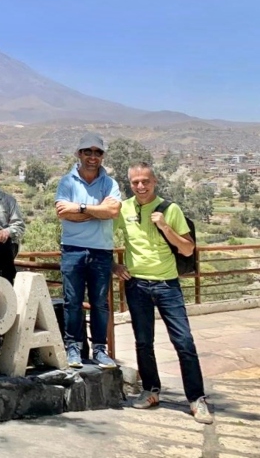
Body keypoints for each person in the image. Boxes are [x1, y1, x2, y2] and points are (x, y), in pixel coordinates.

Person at [113, 162, 213, 424]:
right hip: (136, 285)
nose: (140, 186)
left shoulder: (170, 209)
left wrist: (166, 228)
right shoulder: (123, 209)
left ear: (154, 181)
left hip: (167, 285)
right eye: (135, 182)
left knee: (184, 342)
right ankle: (151, 391)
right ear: (129, 184)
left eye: (145, 181)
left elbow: (188, 249)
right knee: (143, 342)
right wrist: (114, 265)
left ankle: (196, 399)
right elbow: (103, 238)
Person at [55, 132, 121, 369]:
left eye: (98, 152)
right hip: (72, 249)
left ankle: (100, 350)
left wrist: (80, 208)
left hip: (101, 250)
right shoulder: (67, 181)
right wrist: (96, 210)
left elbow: (113, 212)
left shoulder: (110, 183)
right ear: (79, 154)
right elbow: (63, 213)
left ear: (102, 156)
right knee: (72, 302)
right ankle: (73, 348)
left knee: (100, 303)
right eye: (88, 151)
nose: (93, 157)